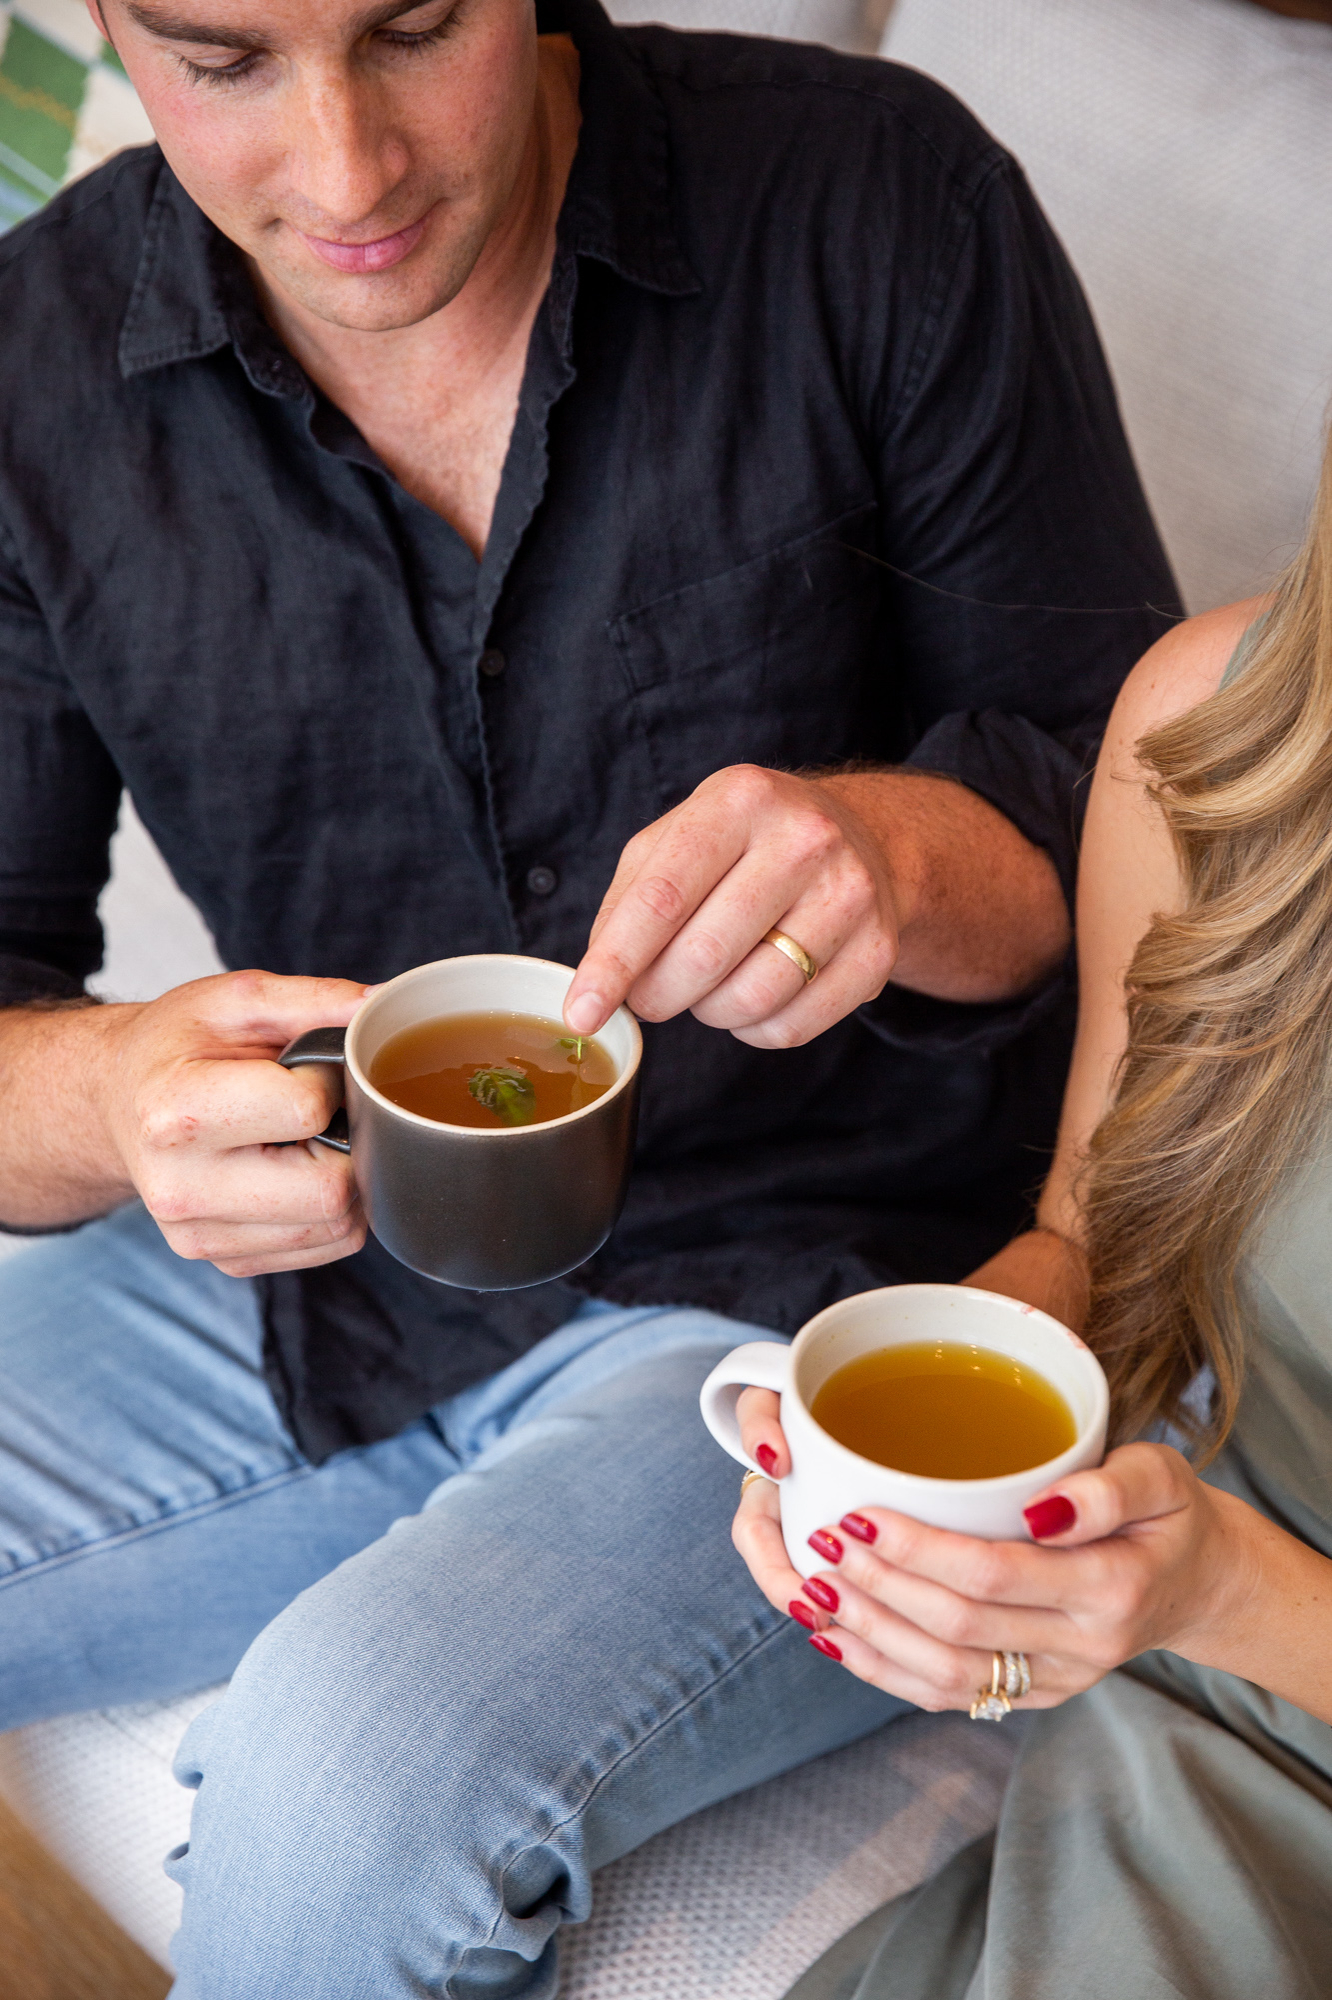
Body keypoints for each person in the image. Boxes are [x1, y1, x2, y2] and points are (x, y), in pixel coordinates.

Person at [0, 0, 1176, 1989]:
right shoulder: (34, 363)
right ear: (112, 23)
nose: (349, 168)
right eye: (224, 62)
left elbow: (1146, 827)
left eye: (413, 28)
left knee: (339, 1797)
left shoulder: (882, 202)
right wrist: (111, 1091)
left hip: (822, 1304)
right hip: (322, 1272)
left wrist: (896, 858)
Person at [735, 434, 1332, 1998]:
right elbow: (1099, 1237)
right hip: (1215, 1730)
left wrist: (1227, 1591)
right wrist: (903, 1427)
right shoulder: (1222, 726)